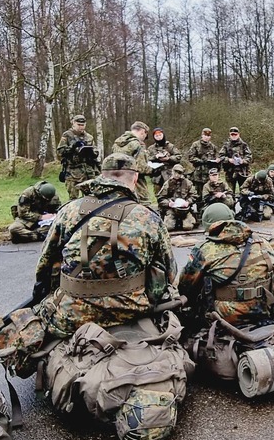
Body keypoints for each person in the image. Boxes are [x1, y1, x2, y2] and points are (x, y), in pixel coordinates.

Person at [31, 152, 175, 340]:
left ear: (102, 176)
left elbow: (45, 263)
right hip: (132, 310)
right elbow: (169, 272)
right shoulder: (148, 217)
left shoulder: (69, 211)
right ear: (136, 178)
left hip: (70, 314)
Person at [178, 202, 274, 329]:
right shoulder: (262, 242)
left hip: (226, 316)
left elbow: (186, 286)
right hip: (264, 308)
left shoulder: (205, 249)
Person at [55, 115, 99, 199]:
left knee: (91, 198)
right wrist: (72, 147)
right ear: (73, 124)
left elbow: (96, 152)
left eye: (82, 125)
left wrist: (91, 152)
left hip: (88, 172)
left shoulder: (89, 137)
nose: (81, 127)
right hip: (73, 172)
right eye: (78, 124)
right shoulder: (67, 135)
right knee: (73, 199)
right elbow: (60, 152)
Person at [111, 121, 153, 205]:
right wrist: (153, 170)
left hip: (119, 182)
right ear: (142, 132)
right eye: (145, 134)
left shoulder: (117, 144)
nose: (145, 137)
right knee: (143, 208)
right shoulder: (137, 145)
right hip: (136, 185)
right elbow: (141, 168)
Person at [158, 164, 197, 231]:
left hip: (185, 210)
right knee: (168, 227)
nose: (177, 175)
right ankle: (175, 222)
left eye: (179, 173)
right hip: (171, 209)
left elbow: (194, 195)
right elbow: (160, 198)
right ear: (172, 172)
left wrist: (188, 202)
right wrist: (168, 203)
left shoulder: (188, 183)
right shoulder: (167, 183)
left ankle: (183, 221)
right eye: (175, 172)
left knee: (188, 227)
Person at [185, 128, 220, 197]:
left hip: (209, 174)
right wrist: (202, 161)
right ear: (202, 135)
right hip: (198, 174)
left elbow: (217, 157)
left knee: (210, 195)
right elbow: (191, 157)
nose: (206, 137)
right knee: (199, 195)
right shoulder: (195, 145)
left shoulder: (213, 147)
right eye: (205, 135)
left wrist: (217, 161)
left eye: (208, 136)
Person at [220, 127, 253, 194]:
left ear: (238, 134)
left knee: (244, 193)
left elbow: (249, 157)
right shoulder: (226, 145)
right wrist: (229, 160)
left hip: (243, 172)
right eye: (232, 135)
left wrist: (242, 161)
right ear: (229, 135)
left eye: (235, 134)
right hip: (230, 172)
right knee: (230, 193)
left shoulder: (244, 145)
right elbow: (220, 157)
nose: (234, 136)